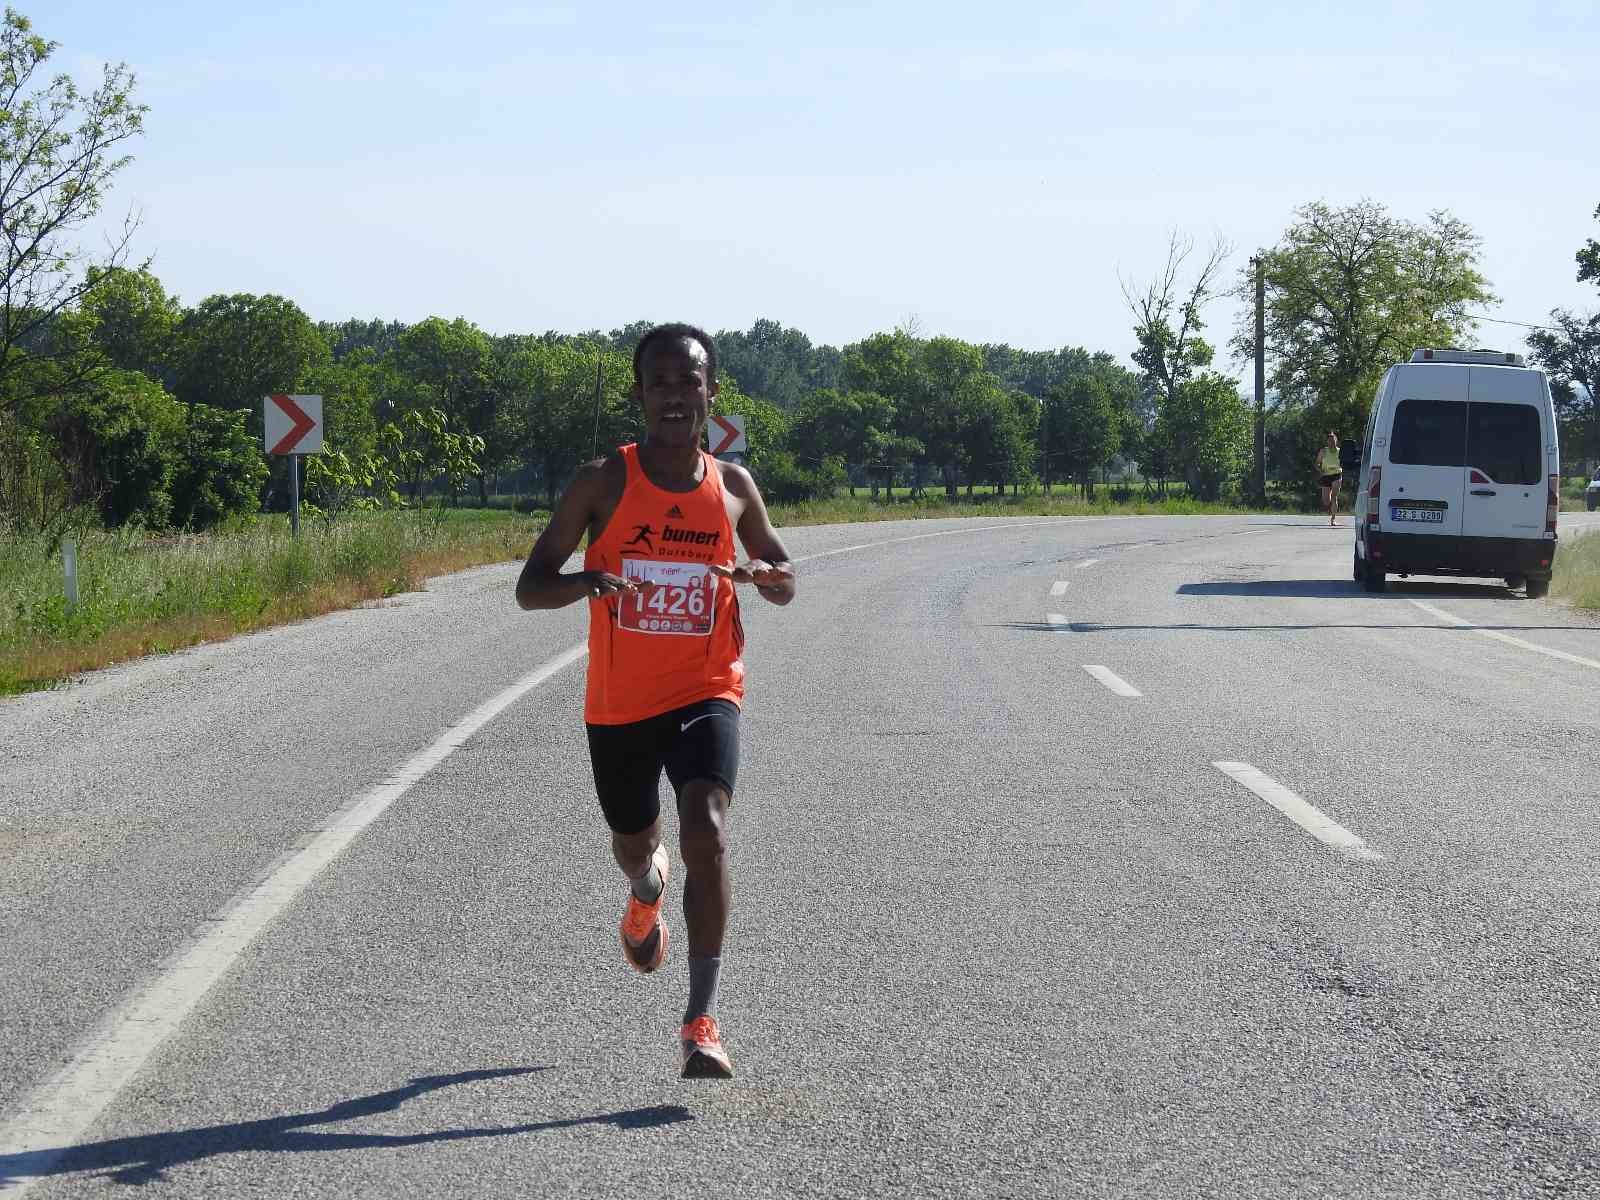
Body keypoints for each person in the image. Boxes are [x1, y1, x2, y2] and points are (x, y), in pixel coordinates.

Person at [514, 323, 795, 1079]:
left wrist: (770, 577)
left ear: (710, 393)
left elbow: (782, 573)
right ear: (641, 394)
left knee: (707, 827)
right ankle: (644, 895)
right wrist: (586, 583)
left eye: (690, 381)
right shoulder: (602, 480)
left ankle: (701, 1019)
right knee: (637, 844)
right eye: (661, 382)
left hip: (708, 688)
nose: (676, 395)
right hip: (620, 704)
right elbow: (530, 586)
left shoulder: (734, 487)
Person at [1316, 432, 1343, 527]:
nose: (1331, 442)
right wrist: (1320, 470)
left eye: (1333, 440)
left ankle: (1333, 519)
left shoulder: (1340, 451)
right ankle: (1330, 506)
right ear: (1327, 441)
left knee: (1334, 496)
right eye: (1329, 440)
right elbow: (1317, 463)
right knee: (1326, 501)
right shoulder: (1323, 451)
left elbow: (1344, 463)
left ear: (1336, 441)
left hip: (1337, 474)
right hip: (1326, 475)